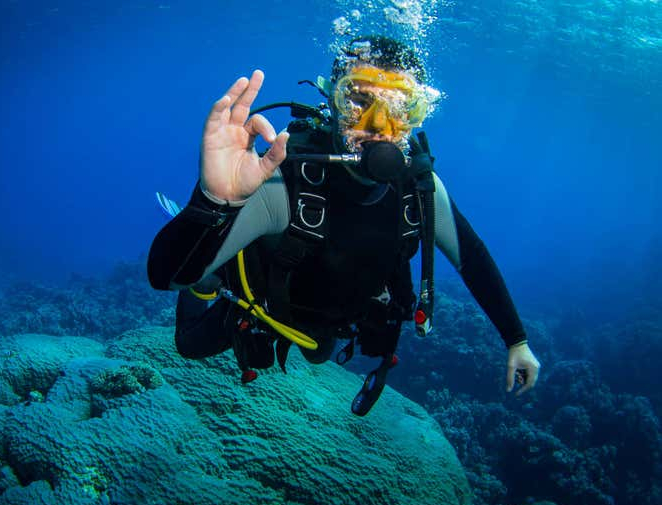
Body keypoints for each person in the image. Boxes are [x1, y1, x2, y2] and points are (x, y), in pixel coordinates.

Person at [147, 35, 540, 415]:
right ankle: (211, 280)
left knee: (318, 355)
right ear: (331, 100)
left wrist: (516, 340)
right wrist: (214, 201)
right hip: (267, 303)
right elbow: (167, 277)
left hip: (329, 316)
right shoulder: (286, 182)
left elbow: (472, 258)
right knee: (189, 345)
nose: (378, 124)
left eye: (400, 108)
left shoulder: (420, 191)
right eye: (358, 100)